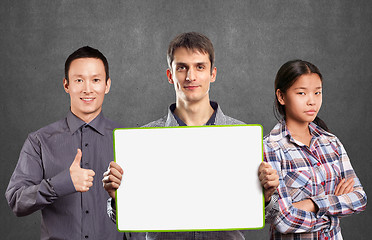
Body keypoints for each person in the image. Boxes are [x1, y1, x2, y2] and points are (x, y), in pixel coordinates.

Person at [102, 32, 279, 240]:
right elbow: (122, 218)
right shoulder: (145, 140)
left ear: (213, 74)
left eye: (200, 67)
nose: (190, 76)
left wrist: (266, 197)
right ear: (170, 75)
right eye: (182, 67)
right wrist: (118, 198)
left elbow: (269, 216)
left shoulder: (241, 136)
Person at [5, 46, 126, 240]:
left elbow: (144, 213)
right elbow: (16, 201)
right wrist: (62, 183)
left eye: (96, 80)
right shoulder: (39, 141)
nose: (87, 89)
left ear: (107, 85)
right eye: (79, 80)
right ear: (66, 85)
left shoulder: (127, 140)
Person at [263, 60, 367, 239]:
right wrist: (333, 212)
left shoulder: (331, 142)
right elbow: (282, 220)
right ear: (281, 96)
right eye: (302, 93)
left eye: (317, 93)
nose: (312, 101)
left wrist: (313, 204)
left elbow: (359, 198)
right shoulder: (271, 147)